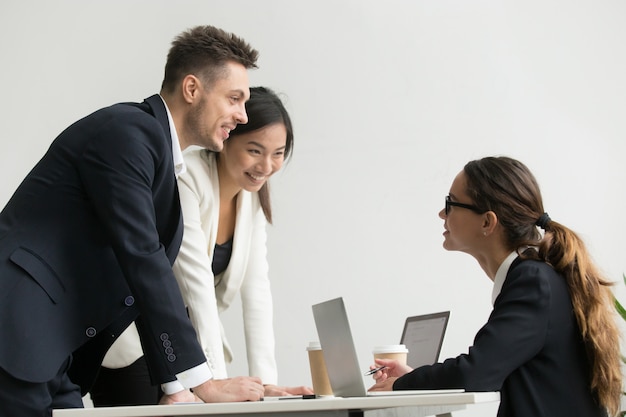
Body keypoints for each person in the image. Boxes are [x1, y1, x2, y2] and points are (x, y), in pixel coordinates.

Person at [0, 25, 267, 417]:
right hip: (16, 330)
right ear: (192, 89)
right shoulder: (129, 133)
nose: (242, 116)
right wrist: (202, 381)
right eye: (234, 99)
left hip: (52, 354)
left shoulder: (156, 160)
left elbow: (138, 281)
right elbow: (142, 257)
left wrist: (176, 385)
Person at [89, 87, 313, 406]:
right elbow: (197, 286)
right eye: (254, 150)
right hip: (135, 341)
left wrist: (266, 385)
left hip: (187, 350)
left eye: (278, 153)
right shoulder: (187, 177)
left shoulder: (252, 202)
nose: (266, 165)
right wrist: (216, 385)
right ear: (227, 139)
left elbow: (257, 294)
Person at [368, 156, 622, 417]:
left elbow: (475, 373)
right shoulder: (535, 278)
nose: (442, 214)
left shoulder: (532, 282)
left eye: (450, 203)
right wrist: (416, 379)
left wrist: (403, 384)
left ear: (487, 222)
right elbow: (484, 367)